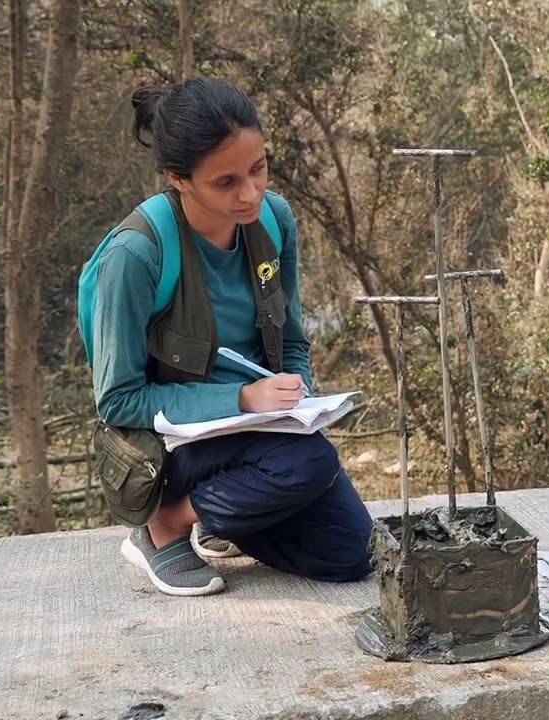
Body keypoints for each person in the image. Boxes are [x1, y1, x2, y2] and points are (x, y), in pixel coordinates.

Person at [89, 75, 374, 596]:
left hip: (260, 435)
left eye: (258, 169)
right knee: (309, 462)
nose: (250, 193)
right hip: (172, 447)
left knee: (351, 554)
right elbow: (118, 400)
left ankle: (224, 517)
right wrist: (241, 398)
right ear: (179, 177)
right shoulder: (137, 253)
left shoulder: (274, 220)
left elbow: (291, 340)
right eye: (226, 182)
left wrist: (297, 396)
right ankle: (166, 525)